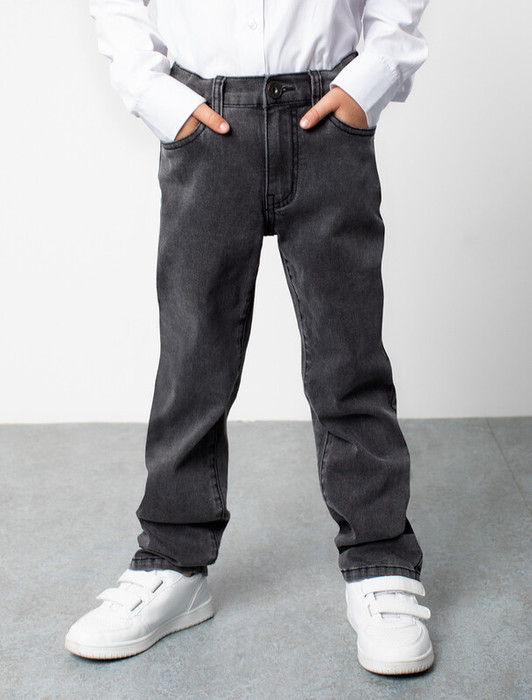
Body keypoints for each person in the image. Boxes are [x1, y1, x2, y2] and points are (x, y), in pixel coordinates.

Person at [65, 0, 433, 676]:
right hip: (205, 118)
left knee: (348, 353)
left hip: (327, 113)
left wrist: (374, 74)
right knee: (193, 357)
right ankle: (173, 561)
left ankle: (380, 558)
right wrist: (153, 91)